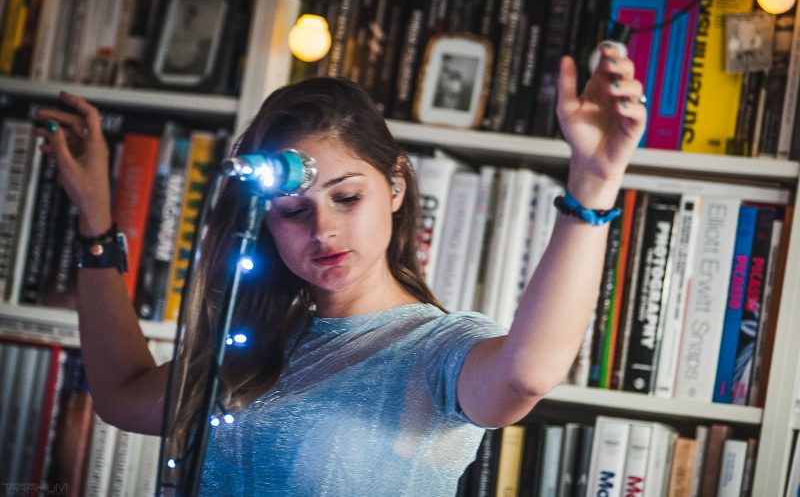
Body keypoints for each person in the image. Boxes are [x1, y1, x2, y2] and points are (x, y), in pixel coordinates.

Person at [34, 43, 645, 495]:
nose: (322, 230)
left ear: (396, 185)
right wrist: (96, 222)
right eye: (294, 211)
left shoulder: (437, 351)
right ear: (267, 222)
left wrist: (592, 186)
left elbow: (528, 374)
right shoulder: (256, 348)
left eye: (347, 198)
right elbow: (121, 395)